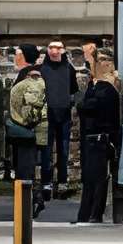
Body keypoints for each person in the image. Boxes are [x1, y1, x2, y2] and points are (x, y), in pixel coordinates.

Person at [75, 52, 123, 224]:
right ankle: (87, 213)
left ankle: (94, 213)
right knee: (91, 179)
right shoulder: (95, 87)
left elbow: (86, 106)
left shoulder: (107, 89)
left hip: (100, 138)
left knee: (97, 179)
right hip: (93, 138)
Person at [2, 46, 49, 190]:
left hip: (25, 127)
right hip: (43, 125)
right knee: (42, 158)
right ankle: (43, 187)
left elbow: (19, 102)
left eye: (19, 54)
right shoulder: (46, 73)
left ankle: (29, 193)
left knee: (25, 163)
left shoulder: (25, 74)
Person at [39, 38, 80, 192]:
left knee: (63, 150)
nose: (55, 51)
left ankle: (62, 180)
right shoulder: (42, 69)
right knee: (46, 150)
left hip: (64, 115)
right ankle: (46, 182)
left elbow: (73, 91)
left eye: (58, 48)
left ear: (63, 50)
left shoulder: (69, 69)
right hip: (46, 114)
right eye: (51, 47)